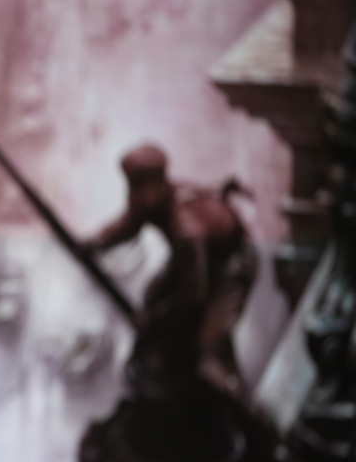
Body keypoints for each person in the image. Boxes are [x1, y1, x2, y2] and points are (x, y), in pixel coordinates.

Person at [85, 144, 257, 395]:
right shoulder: (154, 202)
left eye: (137, 185)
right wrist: (93, 244)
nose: (132, 194)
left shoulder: (185, 224)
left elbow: (194, 290)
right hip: (197, 262)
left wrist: (154, 317)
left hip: (232, 268)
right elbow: (128, 225)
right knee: (154, 295)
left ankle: (237, 402)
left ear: (154, 183)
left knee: (210, 345)